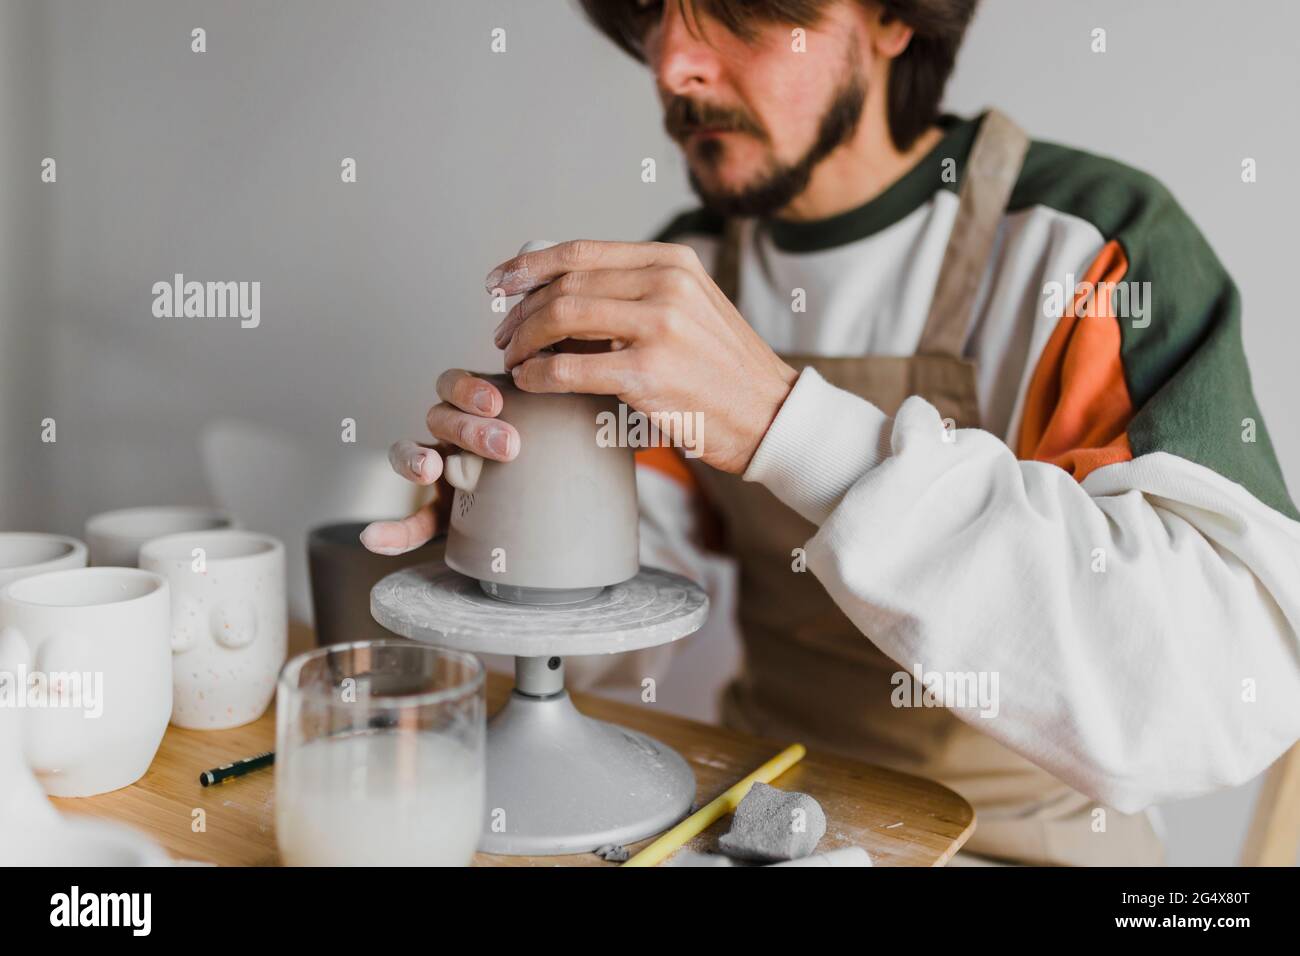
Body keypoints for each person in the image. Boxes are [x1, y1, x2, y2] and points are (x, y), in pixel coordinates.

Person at [361, 0, 1300, 865]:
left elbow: (1217, 696)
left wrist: (789, 426)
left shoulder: (1087, 247)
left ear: (895, 17)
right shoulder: (693, 270)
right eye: (653, 9)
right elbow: (618, 633)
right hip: (761, 811)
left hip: (1027, 844)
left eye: (741, 8)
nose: (676, 63)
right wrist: (511, 545)